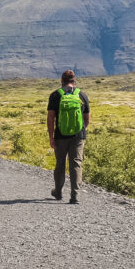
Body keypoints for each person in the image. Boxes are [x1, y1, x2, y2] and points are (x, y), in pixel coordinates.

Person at [47, 69, 91, 204]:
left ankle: (58, 192)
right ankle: (75, 196)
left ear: (62, 81)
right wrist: (80, 131)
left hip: (61, 135)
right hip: (78, 135)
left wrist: (51, 136)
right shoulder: (82, 95)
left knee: (60, 164)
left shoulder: (55, 95)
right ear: (74, 80)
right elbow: (87, 119)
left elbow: (50, 118)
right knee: (76, 164)